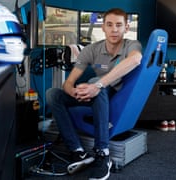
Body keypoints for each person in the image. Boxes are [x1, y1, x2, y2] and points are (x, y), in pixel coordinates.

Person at [46, 8, 142, 180]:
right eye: (109, 25)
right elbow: (68, 82)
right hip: (90, 95)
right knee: (53, 94)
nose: (114, 29)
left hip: (110, 95)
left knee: (93, 83)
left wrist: (97, 85)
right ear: (103, 27)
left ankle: (103, 153)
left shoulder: (131, 45)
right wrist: (75, 92)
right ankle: (77, 150)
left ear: (126, 28)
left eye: (119, 25)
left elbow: (135, 59)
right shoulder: (91, 49)